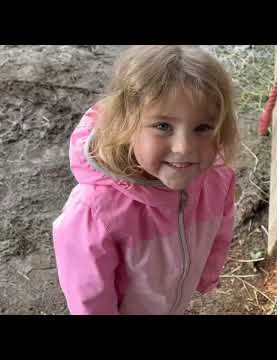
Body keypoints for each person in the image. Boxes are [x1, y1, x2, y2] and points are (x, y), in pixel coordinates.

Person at [52, 45, 239, 315]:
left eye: (203, 128)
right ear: (126, 124)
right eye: (163, 126)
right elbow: (88, 294)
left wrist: (207, 274)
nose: (184, 147)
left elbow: (221, 231)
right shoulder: (94, 211)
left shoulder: (216, 180)